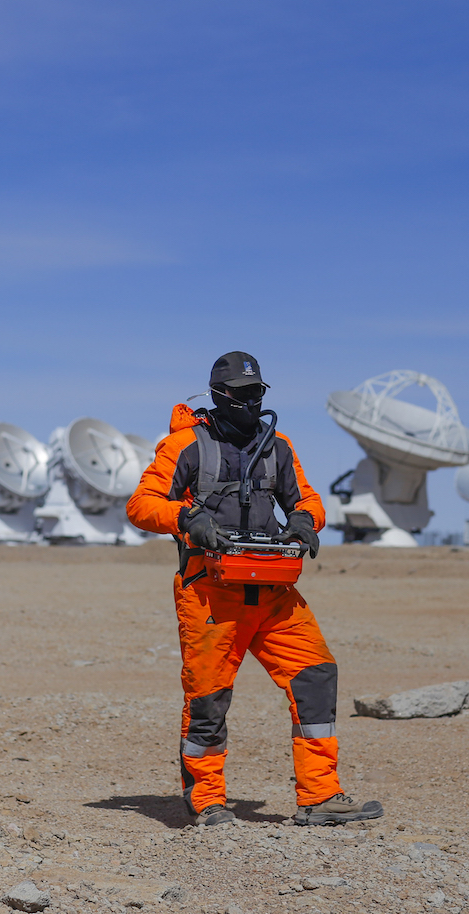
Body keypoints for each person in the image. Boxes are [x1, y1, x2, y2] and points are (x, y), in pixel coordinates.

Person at [126, 351, 384, 827]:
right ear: (218, 395)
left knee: (316, 675)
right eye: (241, 393)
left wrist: (304, 521)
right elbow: (141, 504)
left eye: (257, 393)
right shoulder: (184, 446)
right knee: (208, 699)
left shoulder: (278, 446)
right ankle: (207, 801)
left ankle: (320, 796)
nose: (250, 401)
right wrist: (186, 518)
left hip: (274, 591)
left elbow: (307, 499)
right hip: (211, 594)